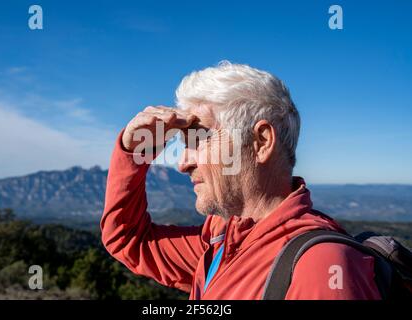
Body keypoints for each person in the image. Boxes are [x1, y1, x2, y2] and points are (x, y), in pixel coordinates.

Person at [100, 61, 381, 299]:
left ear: (261, 142)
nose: (182, 163)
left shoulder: (320, 266)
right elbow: (129, 239)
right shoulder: (220, 242)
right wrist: (136, 150)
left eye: (199, 138)